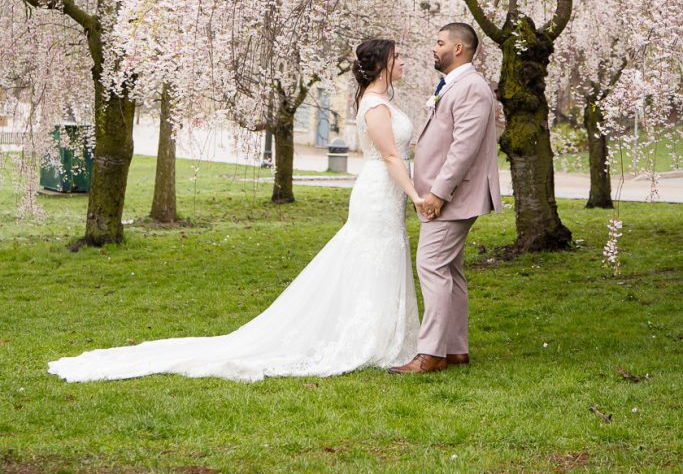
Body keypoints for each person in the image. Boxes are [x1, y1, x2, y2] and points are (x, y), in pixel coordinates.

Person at [48, 38, 422, 383]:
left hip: (388, 193)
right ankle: (365, 338)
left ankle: (381, 334)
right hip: (378, 193)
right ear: (381, 65)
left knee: (382, 256)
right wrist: (417, 196)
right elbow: (391, 155)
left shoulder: (382, 102)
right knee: (372, 256)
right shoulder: (374, 106)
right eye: (398, 57)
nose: (403, 61)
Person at [390, 22, 502, 375]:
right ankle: (454, 349)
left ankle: (431, 353)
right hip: (451, 194)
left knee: (432, 265)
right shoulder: (455, 84)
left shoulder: (472, 87)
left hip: (455, 195)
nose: (433, 48)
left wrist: (439, 193)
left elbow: (463, 148)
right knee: (449, 270)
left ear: (458, 49)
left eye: (439, 42)